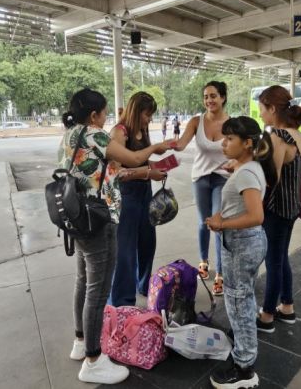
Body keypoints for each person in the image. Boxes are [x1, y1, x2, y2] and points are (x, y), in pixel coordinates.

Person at [59, 88, 170, 385]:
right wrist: (154, 150)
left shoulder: (69, 134)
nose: (107, 116)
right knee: (98, 289)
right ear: (95, 114)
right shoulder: (96, 134)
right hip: (97, 218)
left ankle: (80, 342)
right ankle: (94, 360)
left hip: (76, 218)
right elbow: (132, 158)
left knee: (83, 282)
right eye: (104, 112)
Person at [205, 116, 276, 389]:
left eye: (230, 139)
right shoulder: (251, 166)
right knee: (241, 298)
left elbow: (256, 215)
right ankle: (243, 345)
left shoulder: (246, 172)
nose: (224, 143)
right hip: (247, 241)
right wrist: (220, 216)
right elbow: (241, 207)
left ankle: (244, 366)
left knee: (238, 302)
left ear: (247, 143)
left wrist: (221, 223)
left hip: (241, 242)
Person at [255, 85, 301, 334]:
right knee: (281, 256)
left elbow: (271, 179)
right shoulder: (296, 134)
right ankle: (287, 307)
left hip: (276, 208)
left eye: (262, 111)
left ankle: (267, 315)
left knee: (273, 261)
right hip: (293, 206)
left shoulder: (276, 135)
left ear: (272, 108)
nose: (261, 116)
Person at [109, 92, 169, 307]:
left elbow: (140, 162)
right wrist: (146, 173)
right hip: (126, 196)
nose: (149, 119)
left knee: (147, 243)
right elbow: (117, 172)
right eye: (147, 114)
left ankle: (143, 284)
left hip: (144, 193)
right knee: (125, 251)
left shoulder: (141, 131)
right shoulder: (119, 133)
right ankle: (121, 299)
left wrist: (158, 168)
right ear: (136, 112)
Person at [174, 81, 230, 296]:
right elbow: (180, 145)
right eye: (206, 96)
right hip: (200, 177)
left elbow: (243, 147)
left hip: (222, 178)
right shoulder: (196, 121)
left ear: (223, 98)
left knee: (217, 224)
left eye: (213, 96)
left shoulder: (232, 123)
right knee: (202, 223)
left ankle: (221, 275)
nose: (209, 100)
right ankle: (204, 261)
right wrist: (157, 148)